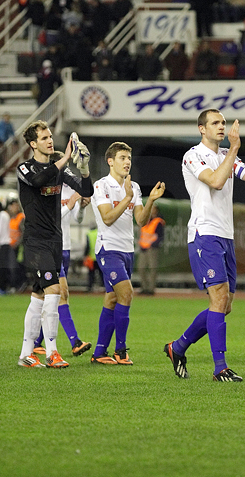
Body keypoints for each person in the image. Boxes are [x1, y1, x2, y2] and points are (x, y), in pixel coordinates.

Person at [164, 110, 245, 382]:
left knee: (225, 304)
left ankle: (178, 347)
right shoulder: (193, 155)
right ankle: (220, 368)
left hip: (225, 235)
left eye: (223, 122)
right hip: (204, 232)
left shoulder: (226, 156)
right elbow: (216, 181)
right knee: (218, 298)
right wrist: (233, 148)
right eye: (215, 123)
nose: (222, 127)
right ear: (201, 129)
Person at [15, 124, 93, 368]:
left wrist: (84, 169)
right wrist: (66, 158)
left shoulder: (58, 170)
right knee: (54, 291)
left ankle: (26, 354)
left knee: (38, 296)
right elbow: (39, 181)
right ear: (33, 144)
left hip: (55, 240)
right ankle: (51, 352)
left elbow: (86, 190)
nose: (50, 141)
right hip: (36, 240)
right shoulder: (25, 168)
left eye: (50, 136)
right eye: (44, 138)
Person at [89, 142, 165, 365]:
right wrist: (127, 197)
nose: (127, 162)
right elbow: (108, 218)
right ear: (110, 161)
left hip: (127, 250)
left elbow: (141, 221)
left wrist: (150, 199)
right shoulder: (101, 186)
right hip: (108, 249)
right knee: (127, 293)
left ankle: (99, 352)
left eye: (129, 158)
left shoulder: (135, 187)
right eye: (122, 157)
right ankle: (120, 350)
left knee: (112, 298)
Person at [33, 151, 93, 357]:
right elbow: (49, 220)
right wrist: (70, 204)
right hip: (49, 248)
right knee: (61, 294)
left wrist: (81, 207)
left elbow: (77, 218)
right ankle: (75, 341)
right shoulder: (44, 190)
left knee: (46, 296)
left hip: (64, 248)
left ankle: (35, 342)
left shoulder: (67, 188)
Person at [138, 205, 164, 295]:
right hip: (143, 247)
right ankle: (144, 287)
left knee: (152, 269)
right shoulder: (145, 220)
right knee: (141, 268)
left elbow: (160, 236)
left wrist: (154, 244)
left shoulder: (158, 222)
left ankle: (151, 289)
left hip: (152, 248)